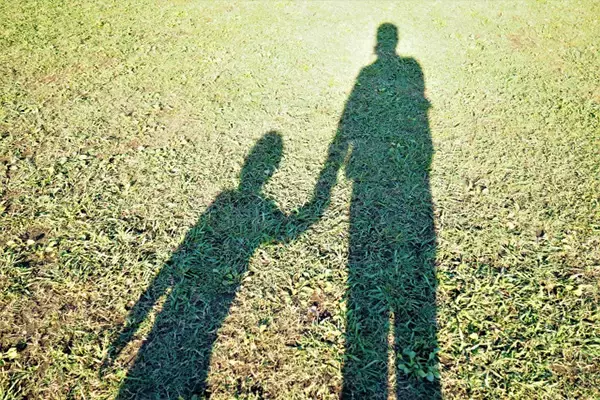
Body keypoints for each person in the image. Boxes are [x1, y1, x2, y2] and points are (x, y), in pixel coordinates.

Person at [105, 131, 331, 399]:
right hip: (217, 292)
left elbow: (184, 250)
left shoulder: (226, 199)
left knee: (182, 348)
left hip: (202, 290)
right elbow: (284, 233)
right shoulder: (239, 202)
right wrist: (321, 197)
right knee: (197, 342)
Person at [316, 23, 439, 398]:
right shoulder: (409, 69)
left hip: (372, 175)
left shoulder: (370, 73)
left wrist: (332, 170)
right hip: (403, 175)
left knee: (369, 258)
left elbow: (349, 118)